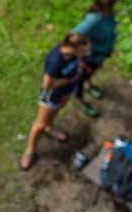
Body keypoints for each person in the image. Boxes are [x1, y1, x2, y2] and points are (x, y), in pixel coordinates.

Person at [21, 31, 90, 170]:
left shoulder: (72, 55)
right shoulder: (55, 60)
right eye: (83, 50)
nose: (85, 53)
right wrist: (67, 81)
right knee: (39, 123)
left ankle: (49, 128)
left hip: (65, 91)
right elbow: (46, 85)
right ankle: (29, 151)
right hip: (48, 94)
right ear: (73, 47)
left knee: (57, 111)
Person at [69, 0, 118, 116]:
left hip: (101, 53)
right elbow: (73, 35)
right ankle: (79, 99)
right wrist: (81, 50)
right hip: (90, 56)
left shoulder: (110, 15)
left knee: (91, 72)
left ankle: (88, 84)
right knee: (79, 77)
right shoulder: (93, 19)